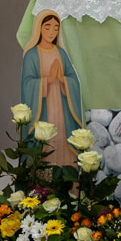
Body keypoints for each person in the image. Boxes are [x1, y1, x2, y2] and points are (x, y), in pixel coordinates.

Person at [21, 9, 83, 166]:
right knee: (45, 139)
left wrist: (62, 79)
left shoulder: (61, 53)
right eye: (47, 27)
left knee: (61, 134)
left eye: (56, 28)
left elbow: (74, 81)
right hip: (43, 108)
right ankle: (43, 178)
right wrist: (47, 80)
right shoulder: (31, 55)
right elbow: (27, 84)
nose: (51, 32)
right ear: (39, 28)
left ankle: (66, 173)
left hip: (62, 107)